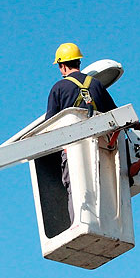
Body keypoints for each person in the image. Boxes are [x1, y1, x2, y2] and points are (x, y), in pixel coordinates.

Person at [45, 43, 118, 224]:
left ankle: (79, 223)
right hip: (101, 147)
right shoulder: (96, 84)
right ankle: (107, 223)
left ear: (62, 65)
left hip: (73, 149)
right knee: (102, 185)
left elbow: (49, 126)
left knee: (76, 187)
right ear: (78, 61)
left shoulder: (59, 88)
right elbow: (115, 115)